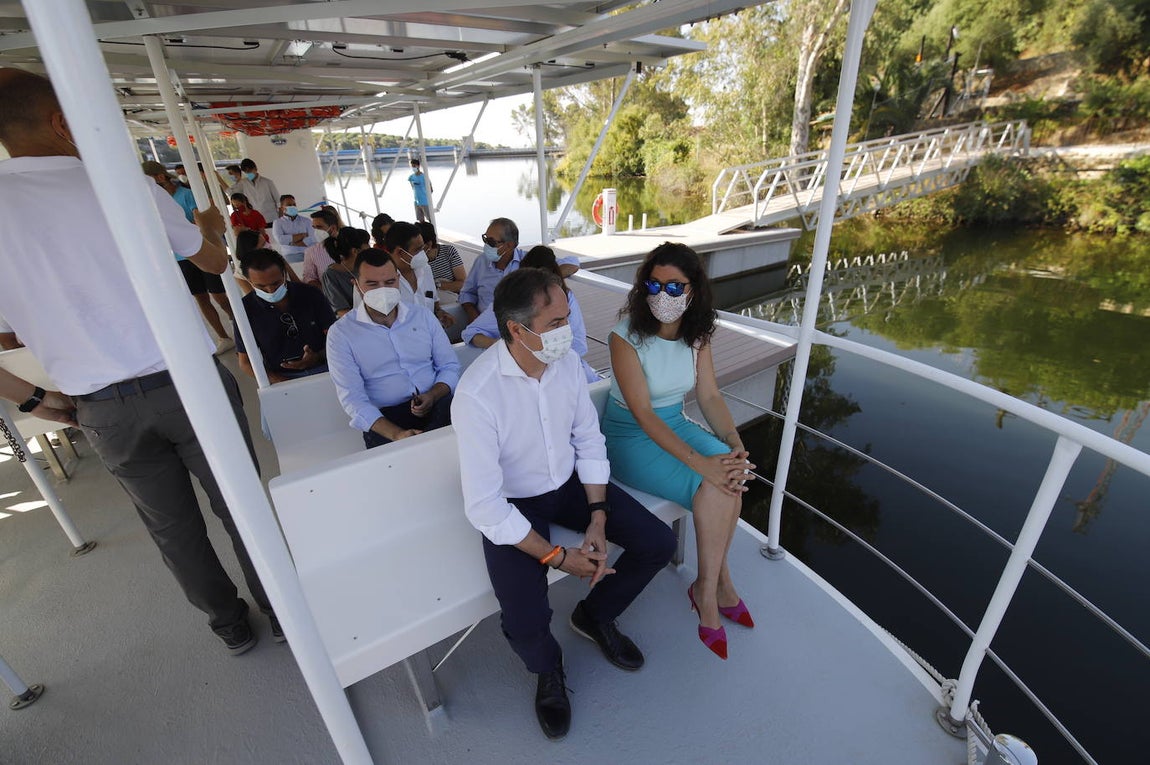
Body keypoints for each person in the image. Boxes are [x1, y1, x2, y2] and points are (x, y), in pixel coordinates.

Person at [0, 67, 279, 653]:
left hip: (101, 407)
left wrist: (34, 398)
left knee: (173, 530)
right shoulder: (118, 183)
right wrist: (205, 225)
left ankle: (229, 626)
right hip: (188, 385)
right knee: (241, 506)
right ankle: (279, 611)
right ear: (58, 122)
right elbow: (212, 262)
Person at [452, 267, 676, 740]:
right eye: (556, 322)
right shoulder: (477, 394)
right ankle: (547, 669)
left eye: (566, 316)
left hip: (571, 486)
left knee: (656, 541)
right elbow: (485, 506)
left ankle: (594, 615)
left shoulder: (568, 364)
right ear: (517, 330)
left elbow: (588, 439)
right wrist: (557, 557)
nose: (568, 330)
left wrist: (597, 516)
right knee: (524, 615)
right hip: (516, 504)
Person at [602, 243, 755, 661]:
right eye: (654, 284)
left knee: (732, 471)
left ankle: (714, 585)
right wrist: (701, 461)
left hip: (674, 423)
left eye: (674, 287)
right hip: (631, 437)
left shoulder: (697, 333)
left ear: (693, 290)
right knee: (714, 480)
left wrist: (732, 440)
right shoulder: (625, 337)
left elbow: (708, 395)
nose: (662, 295)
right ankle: (710, 592)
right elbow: (644, 415)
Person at [326, 248, 458, 449]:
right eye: (372, 284)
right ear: (356, 284)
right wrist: (397, 435)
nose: (382, 290)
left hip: (438, 401)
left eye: (389, 283)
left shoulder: (422, 316)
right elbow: (353, 399)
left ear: (398, 280)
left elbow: (449, 366)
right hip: (386, 419)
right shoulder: (342, 334)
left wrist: (432, 395)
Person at [462, 246, 597, 383]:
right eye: (554, 323)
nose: (564, 327)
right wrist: (504, 347)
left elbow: (578, 345)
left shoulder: (573, 365)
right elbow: (470, 333)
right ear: (516, 330)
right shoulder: (511, 304)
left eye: (566, 319)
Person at [143, 160, 235, 354]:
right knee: (200, 297)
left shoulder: (186, 195)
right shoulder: (148, 201)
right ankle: (223, 337)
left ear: (160, 177)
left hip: (202, 249)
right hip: (180, 257)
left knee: (218, 295)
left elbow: (200, 221)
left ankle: (236, 321)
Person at [234, 248, 335, 384]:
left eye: (276, 283)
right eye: (261, 286)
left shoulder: (311, 295)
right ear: (249, 281)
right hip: (281, 376)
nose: (270, 291)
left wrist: (318, 357)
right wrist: (281, 383)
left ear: (284, 273)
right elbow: (245, 362)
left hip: (326, 367)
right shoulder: (245, 310)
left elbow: (336, 338)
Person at [458, 217, 580, 323]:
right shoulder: (481, 262)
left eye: (491, 242)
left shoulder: (529, 261)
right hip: (485, 326)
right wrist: (474, 317)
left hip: (519, 328)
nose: (486, 245)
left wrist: (541, 278)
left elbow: (573, 264)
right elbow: (467, 293)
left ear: (509, 245)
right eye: (485, 239)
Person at [383, 221, 452, 328]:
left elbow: (434, 305)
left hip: (431, 335)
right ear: (400, 252)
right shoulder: (380, 281)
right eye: (418, 250)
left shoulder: (425, 269)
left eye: (423, 248)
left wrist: (441, 314)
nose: (423, 253)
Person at [321, 227, 371, 317]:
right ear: (355, 251)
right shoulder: (331, 276)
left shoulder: (367, 267)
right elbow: (342, 311)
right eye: (367, 247)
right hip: (354, 323)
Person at [418, 220, 466, 294]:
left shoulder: (449, 251)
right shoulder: (415, 259)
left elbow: (463, 284)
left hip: (452, 300)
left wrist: (436, 285)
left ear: (428, 244)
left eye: (418, 246)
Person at [301, 208, 341, 288]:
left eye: (319, 227)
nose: (316, 231)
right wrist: (327, 292)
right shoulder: (311, 252)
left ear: (333, 228)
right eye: (314, 227)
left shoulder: (349, 245)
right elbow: (309, 277)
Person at [272, 194, 314, 263]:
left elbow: (313, 239)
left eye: (294, 204)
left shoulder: (306, 221)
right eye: (289, 205)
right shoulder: (277, 223)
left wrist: (291, 242)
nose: (292, 207)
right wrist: (302, 235)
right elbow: (280, 240)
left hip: (309, 252)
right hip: (290, 254)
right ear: (282, 208)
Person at [237, 158, 280, 225]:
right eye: (246, 172)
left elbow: (278, 201)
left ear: (255, 169)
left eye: (249, 170)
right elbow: (231, 193)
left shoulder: (267, 182)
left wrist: (281, 217)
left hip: (272, 218)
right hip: (256, 220)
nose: (248, 173)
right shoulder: (243, 183)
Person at [407, 157, 431, 223]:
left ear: (418, 166)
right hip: (417, 202)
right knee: (420, 220)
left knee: (430, 218)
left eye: (414, 166)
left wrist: (425, 195)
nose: (413, 168)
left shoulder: (424, 176)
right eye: (412, 166)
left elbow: (431, 189)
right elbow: (413, 188)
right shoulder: (411, 177)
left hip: (425, 201)